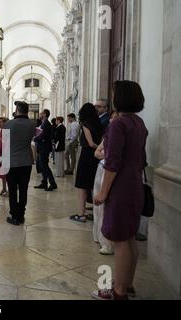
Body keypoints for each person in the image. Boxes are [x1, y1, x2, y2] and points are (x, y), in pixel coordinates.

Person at [92, 81, 148, 300]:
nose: (112, 98)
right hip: (134, 185)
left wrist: (103, 192)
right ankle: (127, 283)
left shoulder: (119, 124)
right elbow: (141, 159)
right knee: (129, 237)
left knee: (120, 240)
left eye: (114, 94)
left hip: (121, 188)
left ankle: (119, 291)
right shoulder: (138, 122)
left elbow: (112, 162)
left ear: (120, 97)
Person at [4, 102, 36, 226]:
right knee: (23, 189)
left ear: (17, 109)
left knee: (12, 190)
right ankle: (21, 214)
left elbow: (6, 143)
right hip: (26, 161)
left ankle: (14, 215)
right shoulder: (33, 124)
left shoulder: (8, 124)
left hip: (11, 161)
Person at [70, 103, 103, 223]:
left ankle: (81, 214)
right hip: (97, 158)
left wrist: (97, 148)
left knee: (81, 186)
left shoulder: (85, 124)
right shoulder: (99, 124)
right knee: (94, 185)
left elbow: (90, 143)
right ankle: (96, 213)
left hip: (87, 156)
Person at [92, 111, 118, 256]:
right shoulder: (108, 135)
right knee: (99, 206)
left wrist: (106, 156)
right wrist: (104, 155)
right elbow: (97, 152)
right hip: (101, 169)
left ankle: (107, 242)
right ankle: (99, 235)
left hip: (110, 171)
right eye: (111, 118)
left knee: (107, 205)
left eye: (115, 118)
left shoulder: (120, 134)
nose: (112, 121)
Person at [34, 109, 57, 192]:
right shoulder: (43, 123)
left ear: (44, 114)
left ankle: (53, 183)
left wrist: (34, 138)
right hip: (42, 147)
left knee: (45, 166)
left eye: (41, 113)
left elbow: (42, 136)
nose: (39, 115)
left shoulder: (46, 124)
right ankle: (44, 182)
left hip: (44, 148)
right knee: (42, 165)